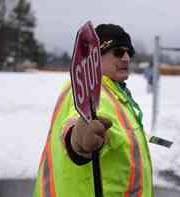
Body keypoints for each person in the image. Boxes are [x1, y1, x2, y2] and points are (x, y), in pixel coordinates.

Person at [33, 24, 154, 197]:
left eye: (130, 53)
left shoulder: (116, 94)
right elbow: (75, 125)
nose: (126, 58)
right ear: (95, 57)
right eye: (118, 52)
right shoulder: (90, 92)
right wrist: (80, 140)